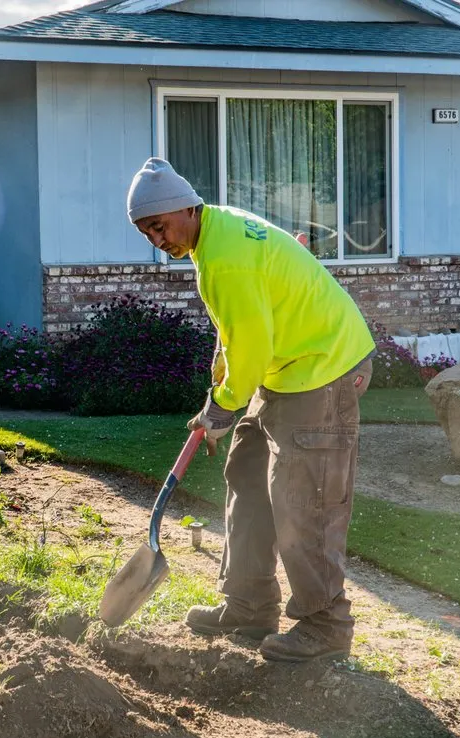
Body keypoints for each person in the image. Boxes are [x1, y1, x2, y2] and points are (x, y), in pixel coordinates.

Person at [126, 157, 375, 663]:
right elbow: (237, 330)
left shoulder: (226, 257)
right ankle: (249, 603)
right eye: (145, 231)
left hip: (323, 367)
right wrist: (220, 391)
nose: (156, 238)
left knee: (304, 496)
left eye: (159, 225)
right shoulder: (213, 235)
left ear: (187, 208)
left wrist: (222, 407)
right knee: (247, 474)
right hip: (286, 369)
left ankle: (326, 626)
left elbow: (253, 344)